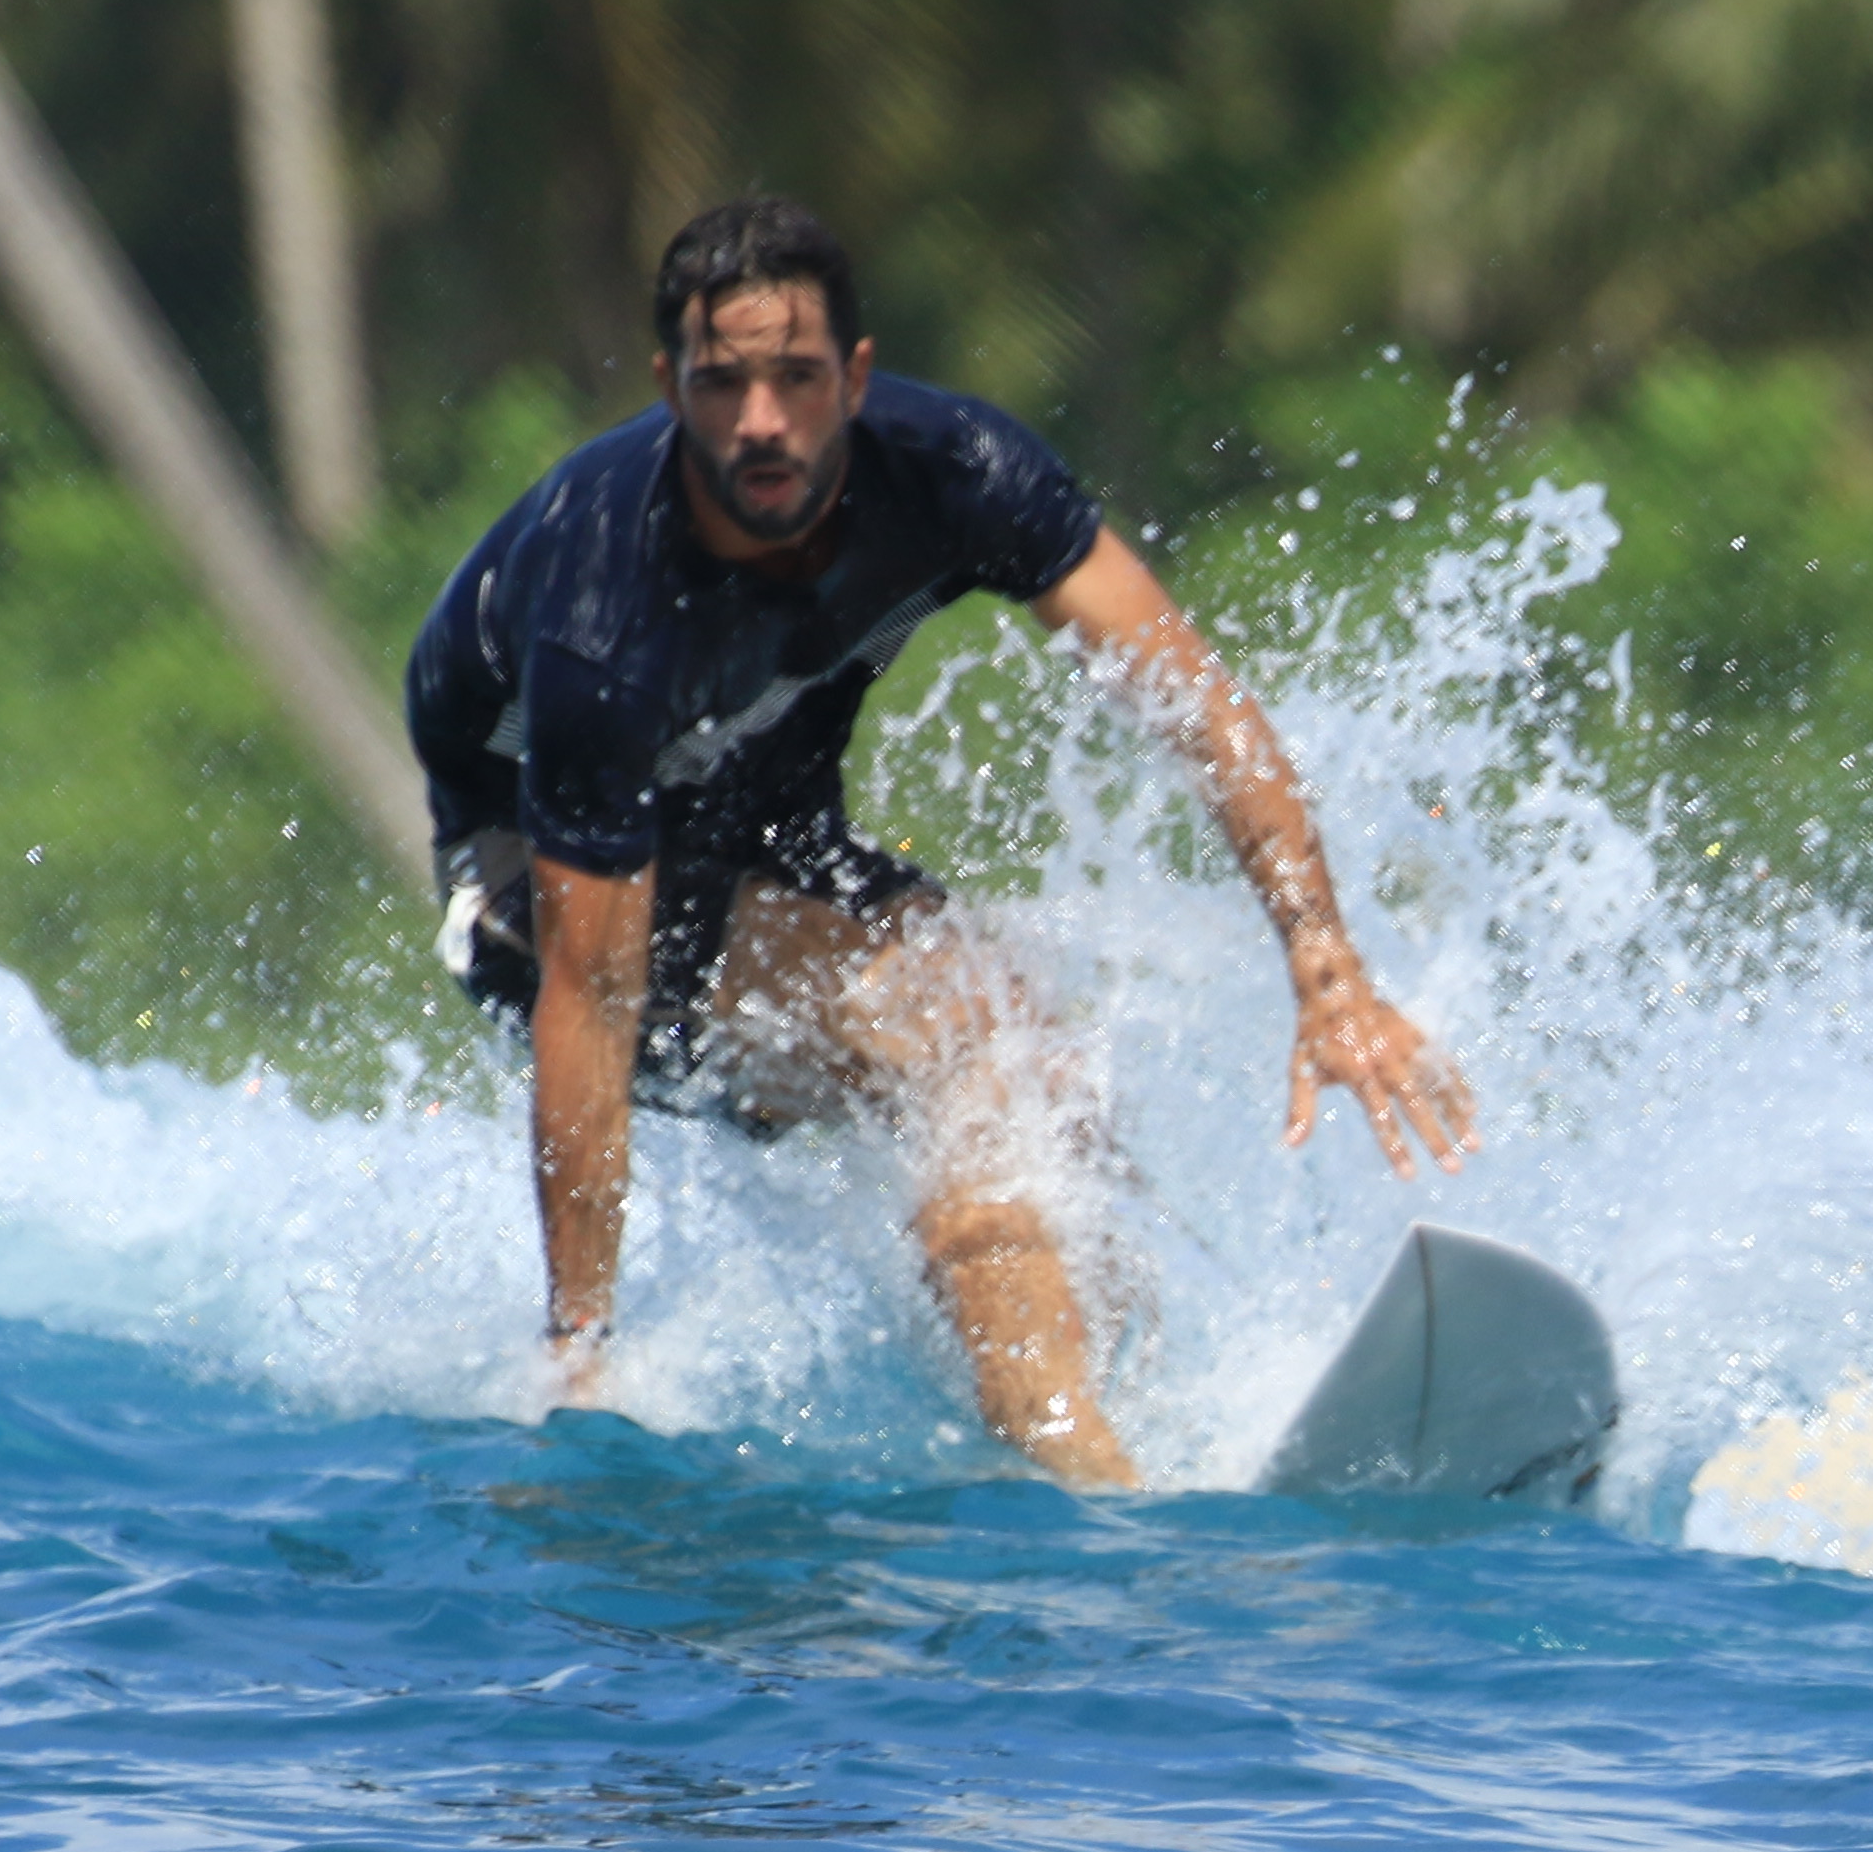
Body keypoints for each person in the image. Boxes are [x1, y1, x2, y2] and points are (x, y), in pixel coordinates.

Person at [409, 195, 1473, 1484]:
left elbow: (1204, 711)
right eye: (722, 382)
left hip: (764, 839)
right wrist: (580, 1341)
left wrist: (1331, 976)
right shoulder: (600, 607)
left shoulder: (957, 471)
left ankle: (1140, 1410)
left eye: (795, 379)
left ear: (855, 378)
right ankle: (1085, 1472)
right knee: (949, 1026)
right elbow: (591, 993)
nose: (760, 422)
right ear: (669, 387)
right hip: (541, 904)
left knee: (1040, 1060)